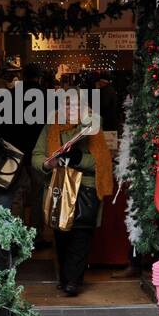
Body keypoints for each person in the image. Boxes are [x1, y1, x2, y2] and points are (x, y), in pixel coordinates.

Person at [34, 99, 114, 296]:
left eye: (76, 106)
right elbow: (36, 155)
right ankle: (65, 277)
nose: (70, 110)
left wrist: (77, 160)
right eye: (67, 105)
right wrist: (47, 164)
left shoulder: (93, 127)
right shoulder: (51, 126)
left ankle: (73, 281)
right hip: (60, 187)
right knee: (61, 235)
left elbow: (102, 164)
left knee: (81, 234)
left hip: (85, 189)